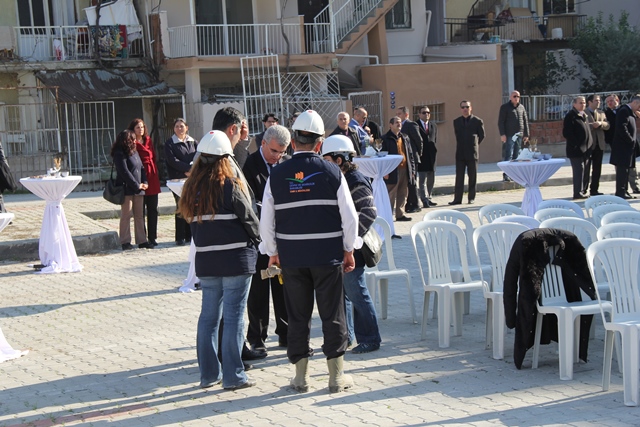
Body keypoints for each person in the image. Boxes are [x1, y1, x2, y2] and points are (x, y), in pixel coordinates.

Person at [259, 110, 359, 393]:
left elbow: (267, 220)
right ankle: (336, 377)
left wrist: (272, 251)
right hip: (327, 256)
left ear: (293, 142)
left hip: (292, 258)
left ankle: (301, 377)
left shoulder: (276, 175)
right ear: (319, 143)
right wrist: (349, 249)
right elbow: (350, 218)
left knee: (298, 315)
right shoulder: (332, 172)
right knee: (333, 313)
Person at [178, 130, 260, 391]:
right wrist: (261, 242)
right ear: (226, 158)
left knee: (209, 318)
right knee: (235, 317)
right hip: (236, 259)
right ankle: (234, 376)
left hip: (207, 261)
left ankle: (208, 375)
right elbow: (250, 219)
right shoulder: (231, 185)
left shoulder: (191, 189)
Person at [212, 106, 266, 362]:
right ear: (232, 129)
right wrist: (259, 236)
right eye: (239, 131)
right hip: (229, 242)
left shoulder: (213, 150)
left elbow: (237, 167)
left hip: (214, 245)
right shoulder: (215, 155)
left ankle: (232, 349)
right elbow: (239, 193)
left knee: (224, 308)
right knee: (228, 307)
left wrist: (242, 142)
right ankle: (230, 358)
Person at [321, 135, 381, 354]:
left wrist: (352, 242)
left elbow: (369, 212)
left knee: (357, 292)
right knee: (344, 293)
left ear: (339, 159)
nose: (324, 162)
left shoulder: (354, 179)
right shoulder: (341, 178)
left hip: (354, 249)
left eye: (327, 158)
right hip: (345, 247)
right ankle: (347, 337)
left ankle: (371, 338)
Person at [242, 124, 291, 353]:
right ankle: (257, 338)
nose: (278, 156)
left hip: (283, 236)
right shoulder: (249, 165)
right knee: (259, 291)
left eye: (282, 152)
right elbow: (250, 202)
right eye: (274, 151)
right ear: (263, 144)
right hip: (259, 237)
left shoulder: (287, 163)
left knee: (284, 287)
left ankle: (286, 333)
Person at [111, 130, 150, 250]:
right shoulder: (119, 153)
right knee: (126, 214)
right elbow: (124, 172)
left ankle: (142, 240)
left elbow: (141, 168)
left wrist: (145, 182)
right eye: (131, 139)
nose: (134, 141)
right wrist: (135, 185)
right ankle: (125, 241)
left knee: (139, 215)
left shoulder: (135, 151)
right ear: (125, 141)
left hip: (139, 189)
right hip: (126, 189)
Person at [128, 118, 161, 247]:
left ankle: (153, 237)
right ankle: (143, 238)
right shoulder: (131, 142)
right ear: (133, 129)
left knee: (153, 209)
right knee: (140, 211)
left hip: (152, 176)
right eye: (137, 127)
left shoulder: (148, 140)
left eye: (142, 127)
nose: (140, 129)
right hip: (139, 175)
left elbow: (153, 155)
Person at [164, 118, 196, 246]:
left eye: (181, 126)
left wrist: (193, 170)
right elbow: (172, 161)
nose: (179, 128)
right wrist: (187, 169)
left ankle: (190, 236)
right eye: (177, 126)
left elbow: (198, 156)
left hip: (191, 179)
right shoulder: (170, 143)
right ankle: (180, 237)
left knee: (191, 206)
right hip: (177, 180)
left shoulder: (193, 142)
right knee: (180, 206)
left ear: (186, 127)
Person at [450, 100, 485, 205]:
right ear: (460, 109)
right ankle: (457, 199)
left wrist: (474, 144)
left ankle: (471, 198)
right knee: (459, 177)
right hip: (460, 153)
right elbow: (457, 135)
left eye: (467, 107)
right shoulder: (456, 121)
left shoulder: (478, 121)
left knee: (472, 177)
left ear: (471, 108)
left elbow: (482, 136)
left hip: (472, 153)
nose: (465, 109)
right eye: (463, 107)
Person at [381, 116, 414, 225]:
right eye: (396, 123)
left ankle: (400, 214)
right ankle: (388, 216)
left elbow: (410, 155)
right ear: (390, 125)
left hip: (404, 168)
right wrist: (385, 171)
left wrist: (412, 170)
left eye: (400, 122)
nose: (399, 124)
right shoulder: (385, 138)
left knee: (403, 192)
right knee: (391, 193)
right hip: (392, 170)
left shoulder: (405, 137)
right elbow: (383, 156)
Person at [610, 94, 640, 199]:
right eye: (639, 106)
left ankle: (625, 191)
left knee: (626, 171)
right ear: (635, 102)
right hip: (622, 148)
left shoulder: (630, 111)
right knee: (622, 171)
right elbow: (622, 128)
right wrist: (630, 140)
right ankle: (620, 192)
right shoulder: (624, 111)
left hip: (627, 148)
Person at [563, 96, 593, 200]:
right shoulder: (571, 116)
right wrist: (577, 145)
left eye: (584, 103)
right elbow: (567, 133)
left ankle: (583, 190)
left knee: (585, 171)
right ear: (574, 104)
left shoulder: (584, 115)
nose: (583, 104)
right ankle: (577, 192)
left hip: (586, 150)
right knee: (578, 171)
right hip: (576, 150)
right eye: (580, 103)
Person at [397, 106, 423, 213]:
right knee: (407, 182)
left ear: (406, 115)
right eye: (397, 114)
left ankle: (415, 204)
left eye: (399, 114)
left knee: (412, 182)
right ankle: (409, 203)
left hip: (412, 158)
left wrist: (418, 154)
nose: (397, 116)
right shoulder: (398, 126)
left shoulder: (411, 125)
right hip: (404, 159)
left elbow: (419, 140)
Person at [498, 90, 529, 181]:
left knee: (517, 155)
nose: (516, 98)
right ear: (510, 97)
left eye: (518, 96)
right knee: (509, 154)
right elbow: (501, 122)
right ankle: (506, 174)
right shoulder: (505, 107)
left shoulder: (521, 107)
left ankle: (514, 175)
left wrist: (526, 134)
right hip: (509, 134)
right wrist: (502, 134)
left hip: (519, 134)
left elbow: (525, 121)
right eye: (514, 96)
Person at [584, 95, 609, 196]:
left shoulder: (601, 113)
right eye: (596, 101)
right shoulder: (584, 113)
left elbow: (608, 125)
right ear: (589, 102)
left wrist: (600, 123)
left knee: (597, 169)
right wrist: (591, 126)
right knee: (586, 168)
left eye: (599, 101)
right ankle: (583, 189)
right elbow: (581, 126)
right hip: (589, 144)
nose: (598, 102)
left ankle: (594, 189)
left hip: (600, 145)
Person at [416, 106, 438, 207]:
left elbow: (434, 139)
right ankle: (423, 199)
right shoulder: (416, 125)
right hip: (421, 156)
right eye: (424, 113)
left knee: (431, 178)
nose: (426, 114)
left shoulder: (433, 125)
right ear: (419, 114)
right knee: (422, 179)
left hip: (431, 156)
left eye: (428, 112)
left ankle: (429, 197)